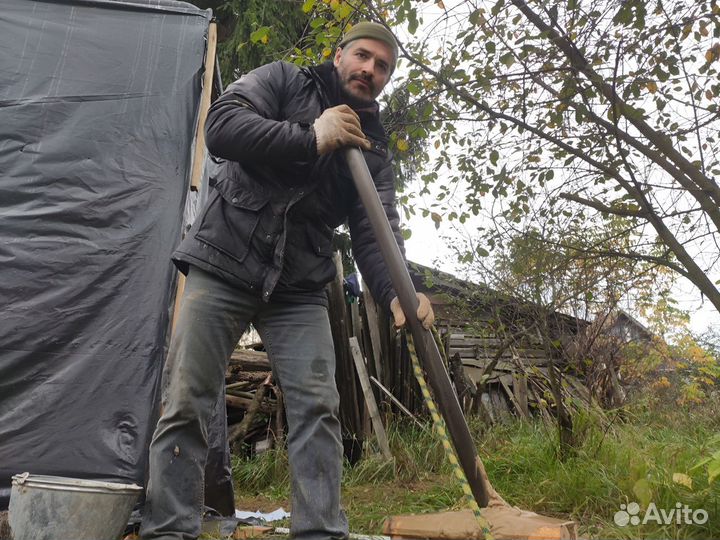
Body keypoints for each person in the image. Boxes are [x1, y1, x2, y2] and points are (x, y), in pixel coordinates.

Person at [140, 21, 434, 540]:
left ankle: (319, 531)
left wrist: (396, 294)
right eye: (363, 56)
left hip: (299, 287)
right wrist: (311, 136)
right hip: (223, 259)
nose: (370, 70)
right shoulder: (282, 80)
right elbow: (223, 127)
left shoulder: (375, 151)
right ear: (339, 54)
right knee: (186, 399)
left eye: (383, 66)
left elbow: (376, 232)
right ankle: (168, 530)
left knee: (318, 408)